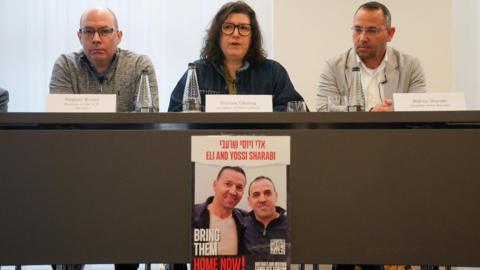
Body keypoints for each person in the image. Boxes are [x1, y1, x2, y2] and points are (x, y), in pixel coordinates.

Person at [168, 1, 304, 112]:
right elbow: (175, 114)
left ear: (253, 36)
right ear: (217, 34)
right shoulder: (197, 71)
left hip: (261, 143)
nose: (236, 34)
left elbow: (297, 111)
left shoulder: (273, 71)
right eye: (228, 27)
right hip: (209, 145)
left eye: (243, 28)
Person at [316, 1, 426, 113]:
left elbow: (418, 110)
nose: (362, 38)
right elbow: (324, 110)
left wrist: (394, 111)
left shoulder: (410, 66)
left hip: (395, 130)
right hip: (350, 131)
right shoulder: (334, 67)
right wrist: (371, 113)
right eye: (357, 30)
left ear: (389, 34)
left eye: (372, 30)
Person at [49, 7, 159, 112]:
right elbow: (61, 120)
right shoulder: (66, 65)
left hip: (127, 133)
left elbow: (147, 118)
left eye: (105, 31)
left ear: (119, 36)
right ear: (79, 37)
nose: (96, 39)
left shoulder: (139, 65)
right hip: (78, 133)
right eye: (88, 31)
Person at [193, 166, 247, 255]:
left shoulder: (245, 221)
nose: (233, 191)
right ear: (215, 185)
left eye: (239, 187)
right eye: (228, 184)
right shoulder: (191, 215)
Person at [243, 176, 288, 262]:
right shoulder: (241, 227)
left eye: (267, 193)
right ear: (249, 200)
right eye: (256, 195)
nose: (262, 199)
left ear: (276, 196)